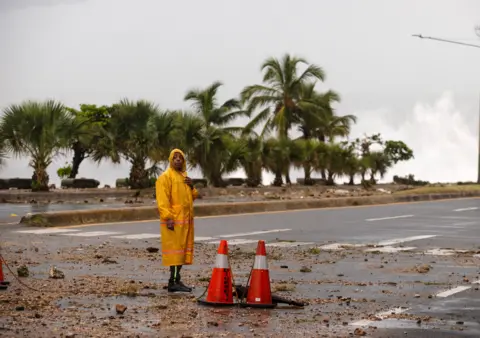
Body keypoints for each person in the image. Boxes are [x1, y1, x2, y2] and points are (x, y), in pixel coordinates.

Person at [156, 148, 199, 293]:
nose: (178, 160)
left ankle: (176, 279)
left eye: (180, 157)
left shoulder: (184, 177)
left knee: (181, 252)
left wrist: (192, 186)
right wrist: (168, 218)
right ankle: (173, 282)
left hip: (185, 222)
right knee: (175, 253)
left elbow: (191, 197)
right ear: (170, 160)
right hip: (174, 221)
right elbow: (162, 200)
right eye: (175, 158)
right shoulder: (165, 177)